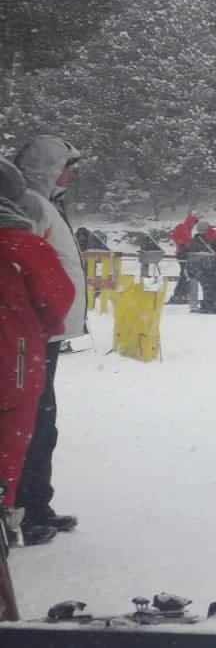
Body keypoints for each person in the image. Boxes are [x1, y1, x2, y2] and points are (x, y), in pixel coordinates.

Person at [9, 136, 85, 544]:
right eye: (66, 166)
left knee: (43, 421)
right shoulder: (32, 205)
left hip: (44, 331)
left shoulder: (48, 202)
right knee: (31, 422)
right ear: (47, 166)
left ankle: (38, 503)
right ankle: (24, 509)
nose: (72, 175)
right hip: (30, 333)